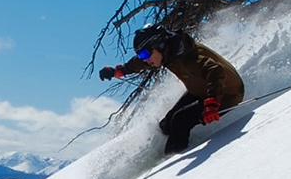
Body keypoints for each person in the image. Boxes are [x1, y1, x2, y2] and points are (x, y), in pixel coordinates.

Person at [100, 26, 246, 155]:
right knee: (166, 124)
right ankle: (178, 144)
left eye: (144, 54)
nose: (144, 60)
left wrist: (212, 103)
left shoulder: (189, 57)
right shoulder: (168, 54)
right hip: (200, 90)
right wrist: (120, 71)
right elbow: (139, 63)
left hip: (227, 93)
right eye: (140, 55)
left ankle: (171, 163)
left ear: (159, 45)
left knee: (180, 121)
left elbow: (215, 70)